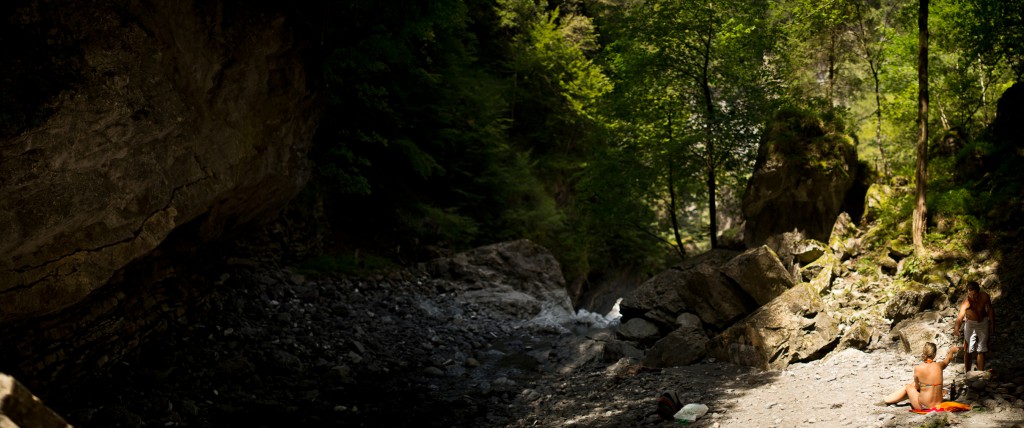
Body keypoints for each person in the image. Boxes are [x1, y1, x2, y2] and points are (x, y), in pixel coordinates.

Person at [884, 342, 959, 410]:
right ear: (934, 354)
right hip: (938, 404)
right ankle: (889, 399)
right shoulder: (939, 366)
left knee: (908, 386)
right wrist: (951, 351)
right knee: (922, 385)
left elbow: (916, 387)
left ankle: (887, 400)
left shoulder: (918, 368)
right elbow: (947, 360)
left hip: (923, 406)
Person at [954, 281, 995, 372]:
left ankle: (980, 373)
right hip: (970, 324)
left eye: (974, 295)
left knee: (981, 349)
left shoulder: (984, 296)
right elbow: (960, 317)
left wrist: (992, 324)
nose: (972, 297)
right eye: (970, 295)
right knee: (968, 349)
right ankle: (967, 373)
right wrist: (956, 328)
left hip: (983, 322)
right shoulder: (966, 303)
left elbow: (990, 310)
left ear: (978, 291)